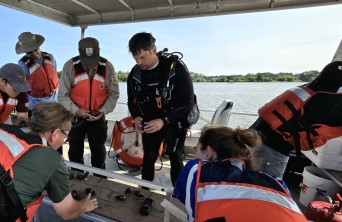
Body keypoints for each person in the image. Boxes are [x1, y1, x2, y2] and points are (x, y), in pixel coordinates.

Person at [174, 125, 306, 221]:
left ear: (208, 152)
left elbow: (181, 195)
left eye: (196, 150)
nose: (194, 155)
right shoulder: (277, 182)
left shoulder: (196, 170)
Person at [250, 61, 342, 178]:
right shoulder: (338, 102)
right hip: (271, 150)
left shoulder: (314, 86)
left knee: (246, 183)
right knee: (267, 190)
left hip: (252, 137)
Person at [127, 32, 195, 187]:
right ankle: (145, 191)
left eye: (142, 57)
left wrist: (164, 120)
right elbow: (132, 102)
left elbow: (188, 102)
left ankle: (179, 198)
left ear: (154, 49)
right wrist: (136, 117)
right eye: (135, 58)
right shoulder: (135, 74)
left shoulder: (176, 68)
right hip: (151, 122)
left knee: (175, 157)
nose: (139, 62)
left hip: (174, 120)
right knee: (148, 158)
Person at [58, 37, 120, 176]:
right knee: (74, 151)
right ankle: (77, 178)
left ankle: (99, 181)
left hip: (98, 118)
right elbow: (62, 96)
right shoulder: (69, 66)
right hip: (75, 118)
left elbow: (114, 94)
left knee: (99, 153)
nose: (91, 65)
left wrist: (103, 111)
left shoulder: (108, 67)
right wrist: (76, 111)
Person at [16, 32, 59, 115]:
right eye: (29, 52)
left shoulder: (50, 57)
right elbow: (21, 88)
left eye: (36, 49)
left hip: (55, 102)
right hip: (36, 106)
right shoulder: (22, 65)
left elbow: (55, 75)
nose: (34, 54)